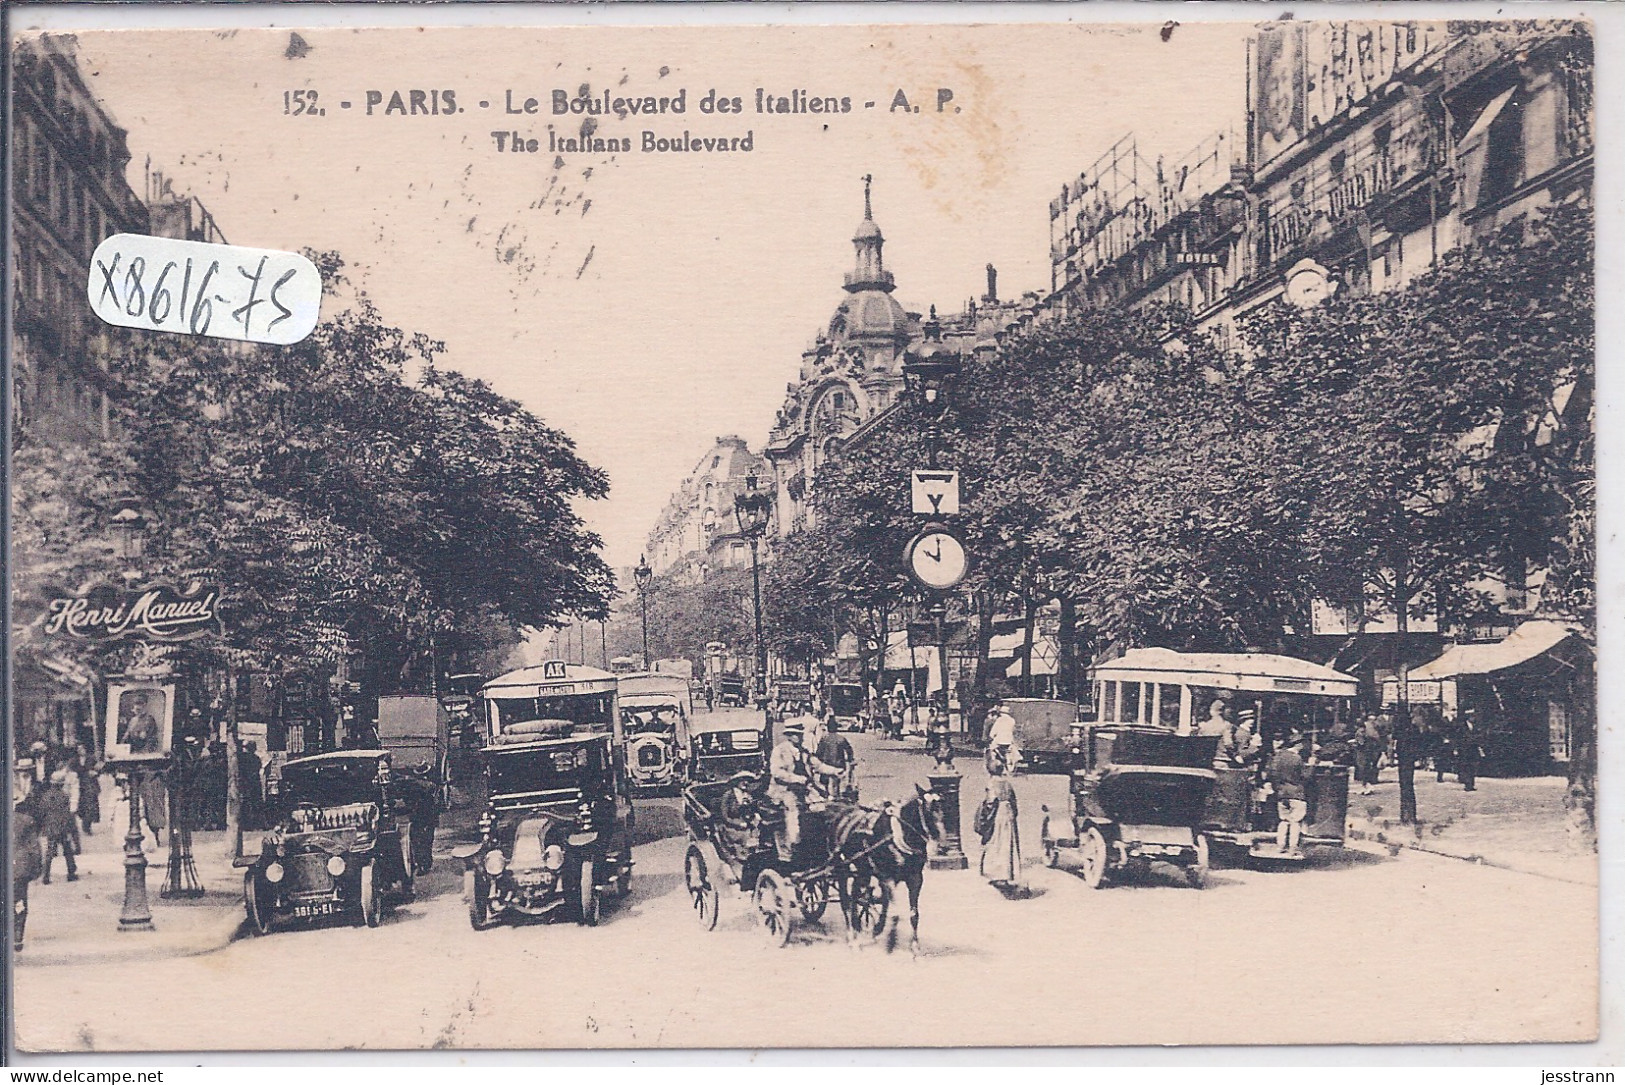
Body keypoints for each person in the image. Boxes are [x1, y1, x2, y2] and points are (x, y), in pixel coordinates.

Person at [765, 718, 840, 863]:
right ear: (789, 735)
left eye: (800, 734)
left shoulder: (804, 752)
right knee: (794, 810)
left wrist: (836, 771)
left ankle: (820, 842)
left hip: (804, 789)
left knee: (825, 806)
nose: (799, 737)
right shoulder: (779, 751)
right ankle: (794, 844)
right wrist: (797, 779)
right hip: (783, 790)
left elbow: (818, 766)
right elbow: (777, 773)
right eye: (796, 735)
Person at [979, 756, 1023, 893]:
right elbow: (1014, 801)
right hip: (1008, 812)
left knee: (996, 842)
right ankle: (1009, 872)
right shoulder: (1007, 783)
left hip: (998, 814)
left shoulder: (992, 783)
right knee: (1008, 843)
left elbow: (990, 801)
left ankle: (998, 873)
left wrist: (984, 816)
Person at [1267, 731, 1311, 856]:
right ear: (1298, 745)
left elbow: (1272, 773)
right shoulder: (1297, 759)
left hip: (1282, 794)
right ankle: (1292, 848)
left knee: (1283, 820)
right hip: (1296, 794)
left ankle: (1280, 846)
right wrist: (1312, 764)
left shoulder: (1279, 756)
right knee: (1295, 821)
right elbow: (1306, 776)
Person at [31, 771, 78, 883]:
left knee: (50, 852)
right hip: (62, 828)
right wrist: (70, 829)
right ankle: (71, 873)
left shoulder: (45, 796)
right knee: (68, 851)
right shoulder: (64, 796)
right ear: (61, 784)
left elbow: (41, 813)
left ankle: (46, 876)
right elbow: (67, 815)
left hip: (50, 828)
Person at [12, 782, 43, 953]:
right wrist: (37, 870)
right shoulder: (26, 821)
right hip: (19, 870)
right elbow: (34, 848)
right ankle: (17, 935)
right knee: (19, 901)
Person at [400, 762, 441, 877]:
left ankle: (421, 864)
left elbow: (407, 801)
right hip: (427, 818)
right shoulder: (431, 786)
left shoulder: (416, 785)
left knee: (419, 841)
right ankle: (424, 864)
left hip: (419, 817)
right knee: (426, 842)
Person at [814, 719, 857, 800]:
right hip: (838, 762)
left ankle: (827, 794)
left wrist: (818, 760)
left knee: (825, 781)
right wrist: (850, 759)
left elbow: (819, 751)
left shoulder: (824, 738)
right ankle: (835, 795)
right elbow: (849, 750)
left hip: (826, 762)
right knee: (836, 781)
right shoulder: (841, 738)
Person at [985, 701, 1019, 775]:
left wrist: (991, 736)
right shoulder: (1012, 720)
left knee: (992, 749)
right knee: (1008, 751)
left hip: (999, 740)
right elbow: (1014, 730)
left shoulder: (999, 720)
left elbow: (994, 731)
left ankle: (995, 765)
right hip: (1009, 741)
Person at [73, 747, 100, 835]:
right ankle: (85, 823)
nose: (82, 751)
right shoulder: (74, 760)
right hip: (80, 785)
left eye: (83, 749)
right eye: (79, 749)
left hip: (91, 784)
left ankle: (87, 826)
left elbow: (98, 768)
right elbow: (72, 771)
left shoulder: (91, 758)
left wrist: (95, 772)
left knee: (91, 806)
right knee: (83, 806)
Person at [239, 741, 265, 832]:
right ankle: (257, 824)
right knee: (255, 804)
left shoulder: (244, 758)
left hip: (247, 784)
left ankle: (247, 825)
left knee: (246, 804)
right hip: (255, 783)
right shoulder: (256, 758)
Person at [1457, 709, 1482, 792]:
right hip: (1465, 750)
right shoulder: (1462, 726)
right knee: (1466, 766)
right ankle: (1467, 784)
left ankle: (1471, 784)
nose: (1473, 718)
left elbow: (1478, 736)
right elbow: (1459, 738)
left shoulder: (1475, 726)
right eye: (1472, 716)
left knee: (1473, 767)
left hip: (1473, 749)